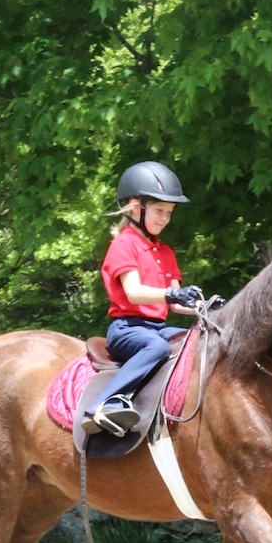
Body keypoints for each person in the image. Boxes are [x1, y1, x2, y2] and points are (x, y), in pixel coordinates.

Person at [82, 161, 203, 437]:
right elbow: (134, 292)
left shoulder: (166, 251)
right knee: (157, 348)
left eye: (169, 213)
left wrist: (206, 307)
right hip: (127, 329)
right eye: (160, 211)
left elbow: (175, 303)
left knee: (193, 340)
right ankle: (106, 403)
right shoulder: (124, 244)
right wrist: (172, 293)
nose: (165, 219)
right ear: (136, 207)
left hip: (157, 327)